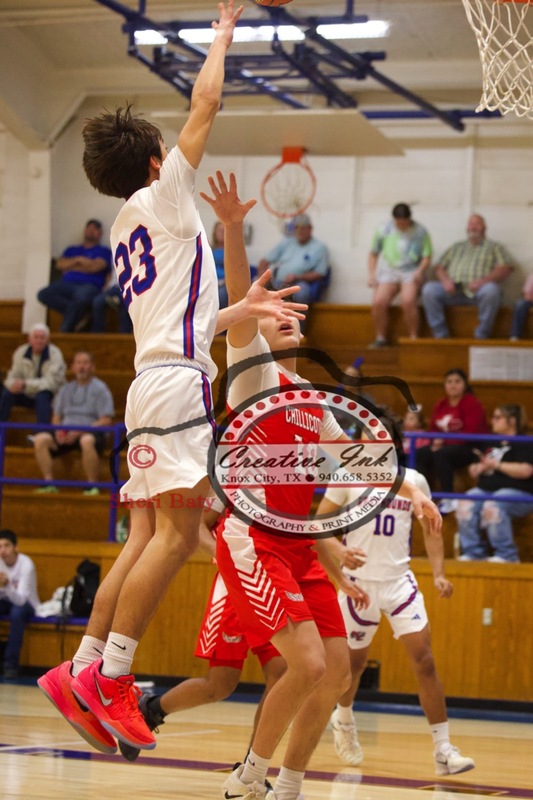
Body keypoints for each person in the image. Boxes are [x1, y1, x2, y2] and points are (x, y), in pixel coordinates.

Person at [36, 1, 306, 759]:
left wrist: (238, 308)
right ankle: (113, 678)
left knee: (150, 531)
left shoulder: (129, 225)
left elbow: (183, 322)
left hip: (151, 381)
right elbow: (208, 101)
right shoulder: (165, 197)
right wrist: (223, 30)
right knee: (180, 532)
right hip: (174, 387)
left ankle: (84, 667)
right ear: (158, 162)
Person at [201, 171, 442, 800]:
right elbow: (238, 302)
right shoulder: (252, 380)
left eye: (287, 313)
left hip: (299, 546)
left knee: (334, 675)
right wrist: (231, 229)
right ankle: (248, 776)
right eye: (269, 313)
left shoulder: (315, 403)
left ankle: (289, 785)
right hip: (252, 539)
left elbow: (365, 464)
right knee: (305, 663)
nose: (278, 316)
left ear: (301, 333)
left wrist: (415, 493)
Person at [318, 468, 475, 777]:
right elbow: (318, 525)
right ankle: (344, 717)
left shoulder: (415, 480)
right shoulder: (346, 476)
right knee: (353, 666)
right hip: (357, 584)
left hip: (398, 583)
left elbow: (432, 528)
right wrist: (338, 550)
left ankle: (443, 750)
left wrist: (439, 573)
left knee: (425, 660)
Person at [118, 496, 286, 763]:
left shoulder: (287, 475)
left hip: (271, 584)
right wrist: (224, 556)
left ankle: (253, 768)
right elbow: (197, 527)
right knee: (220, 685)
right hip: (234, 589)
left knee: (281, 673)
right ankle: (152, 709)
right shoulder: (230, 474)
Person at [456, 404, 533, 563]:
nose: (493, 421)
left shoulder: (525, 441)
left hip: (518, 491)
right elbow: (474, 467)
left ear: (511, 420)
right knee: (465, 502)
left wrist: (496, 465)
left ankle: (507, 554)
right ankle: (474, 552)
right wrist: (478, 468)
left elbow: (526, 470)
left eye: (498, 417)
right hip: (486, 488)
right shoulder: (490, 442)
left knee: (493, 504)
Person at [31, 351, 114, 495]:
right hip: (66, 433)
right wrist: (57, 430)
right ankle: (49, 483)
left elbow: (106, 419)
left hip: (90, 432)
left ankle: (92, 485)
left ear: (92, 367)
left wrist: (82, 431)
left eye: (85, 363)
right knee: (40, 439)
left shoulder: (101, 389)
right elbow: (56, 416)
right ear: (73, 367)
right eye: (78, 363)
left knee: (87, 440)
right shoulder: (65, 389)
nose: (82, 367)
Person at [422, 214, 514, 340]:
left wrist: (482, 282)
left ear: (485, 227)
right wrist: (446, 281)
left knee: (492, 290)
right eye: (471, 224)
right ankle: (440, 334)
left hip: (478, 293)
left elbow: (506, 268)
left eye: (477, 223)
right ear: (467, 228)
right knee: (429, 289)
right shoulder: (456, 247)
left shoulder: (494, 247)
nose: (473, 227)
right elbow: (439, 267)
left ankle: (482, 334)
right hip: (453, 291)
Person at [415, 368, 488, 513]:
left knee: (443, 454)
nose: (453, 385)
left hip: (470, 447)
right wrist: (435, 440)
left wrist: (443, 441)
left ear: (464, 384)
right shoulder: (441, 404)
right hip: (444, 445)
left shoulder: (471, 403)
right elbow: (433, 429)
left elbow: (471, 432)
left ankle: (448, 498)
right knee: (421, 453)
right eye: (449, 382)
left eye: (457, 381)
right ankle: (425, 495)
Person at [367, 202, 432, 348]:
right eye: (399, 223)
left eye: (405, 223)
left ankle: (413, 338)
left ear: (410, 219)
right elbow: (373, 253)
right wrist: (372, 274)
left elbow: (427, 256)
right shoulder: (384, 229)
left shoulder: (420, 231)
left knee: (408, 300)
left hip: (411, 270)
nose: (402, 226)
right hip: (389, 270)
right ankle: (380, 337)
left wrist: (420, 271)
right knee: (379, 301)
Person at [37, 219, 112, 332]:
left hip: (90, 285)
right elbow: (60, 265)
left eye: (95, 229)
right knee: (43, 294)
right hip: (67, 284)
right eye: (89, 228)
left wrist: (73, 264)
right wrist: (80, 260)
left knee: (81, 298)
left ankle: (64, 332)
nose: (91, 231)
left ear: (100, 233)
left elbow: (95, 267)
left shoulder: (104, 251)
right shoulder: (72, 249)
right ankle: (82, 314)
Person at [257, 212, 330, 309]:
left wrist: (297, 276)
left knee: (301, 293)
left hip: (299, 282)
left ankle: (298, 323)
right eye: (297, 227)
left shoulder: (319, 247)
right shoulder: (287, 242)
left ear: (310, 228)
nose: (300, 231)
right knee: (253, 286)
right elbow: (264, 261)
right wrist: (262, 279)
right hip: (277, 280)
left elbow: (320, 274)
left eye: (303, 227)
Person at [0, 323, 66, 426]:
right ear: (29, 339)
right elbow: (12, 375)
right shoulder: (20, 352)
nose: (39, 341)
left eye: (42, 338)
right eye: (36, 337)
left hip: (50, 395)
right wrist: (12, 384)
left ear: (48, 340)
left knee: (43, 394)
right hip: (26, 393)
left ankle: (42, 434)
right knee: (7, 392)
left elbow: (51, 383)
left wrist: (25, 384)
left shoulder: (55, 354)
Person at [0, 529, 40, 678]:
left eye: (6, 545)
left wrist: (6, 585)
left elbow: (21, 600)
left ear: (15, 547)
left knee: (17, 613)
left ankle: (11, 665)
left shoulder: (26, 564)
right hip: (5, 600)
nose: (2, 550)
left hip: (27, 605)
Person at [509, 272, 533, 341]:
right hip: (531, 301)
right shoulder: (532, 277)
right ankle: (515, 334)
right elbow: (526, 295)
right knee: (520, 304)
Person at [211, 220, 228, 309]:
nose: (221, 233)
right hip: (209, 282)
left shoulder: (231, 252)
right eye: (219, 231)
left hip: (224, 284)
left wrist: (223, 282)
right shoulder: (209, 250)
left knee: (221, 294)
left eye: (223, 230)